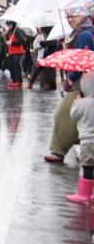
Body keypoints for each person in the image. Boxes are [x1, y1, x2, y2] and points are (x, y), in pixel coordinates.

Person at [45, 9, 94, 163]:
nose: (70, 19)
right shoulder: (81, 32)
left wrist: (70, 80)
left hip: (82, 82)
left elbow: (82, 61)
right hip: (85, 80)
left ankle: (58, 151)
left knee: (62, 115)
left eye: (73, 16)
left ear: (83, 15)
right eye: (68, 16)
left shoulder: (84, 34)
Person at [67, 72, 94, 204]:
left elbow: (73, 114)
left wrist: (76, 102)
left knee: (87, 166)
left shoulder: (82, 103)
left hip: (87, 142)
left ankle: (84, 194)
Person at [5, 21, 27, 89]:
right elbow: (7, 41)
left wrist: (13, 43)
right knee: (11, 66)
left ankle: (18, 81)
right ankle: (14, 80)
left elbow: (22, 41)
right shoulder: (9, 31)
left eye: (9, 24)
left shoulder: (17, 31)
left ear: (13, 24)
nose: (8, 26)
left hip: (17, 52)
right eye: (7, 24)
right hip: (11, 51)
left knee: (16, 65)